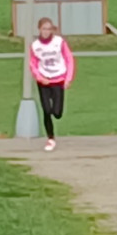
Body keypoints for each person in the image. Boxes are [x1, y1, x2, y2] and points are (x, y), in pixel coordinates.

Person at [29, 17, 74, 150]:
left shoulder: (59, 42)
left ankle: (56, 110)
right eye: (44, 29)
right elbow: (33, 64)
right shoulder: (35, 46)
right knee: (46, 110)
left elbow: (69, 59)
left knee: (57, 113)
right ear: (39, 29)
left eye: (49, 29)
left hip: (58, 79)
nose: (46, 32)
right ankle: (50, 138)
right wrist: (39, 77)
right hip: (44, 81)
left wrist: (68, 78)